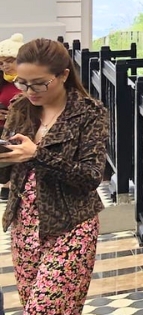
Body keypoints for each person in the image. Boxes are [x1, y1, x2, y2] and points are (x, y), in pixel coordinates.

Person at [0, 38, 108, 315]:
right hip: (24, 225)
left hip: (72, 225)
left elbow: (91, 177)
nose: (29, 90)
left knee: (42, 310)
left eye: (39, 83)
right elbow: (5, 176)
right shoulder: (19, 107)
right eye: (22, 82)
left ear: (63, 75)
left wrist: (37, 154)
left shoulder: (89, 113)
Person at [0, 33, 26, 201]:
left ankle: (11, 182)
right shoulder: (3, 81)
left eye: (9, 61)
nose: (4, 66)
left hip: (21, 129)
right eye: (1, 62)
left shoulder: (28, 81)